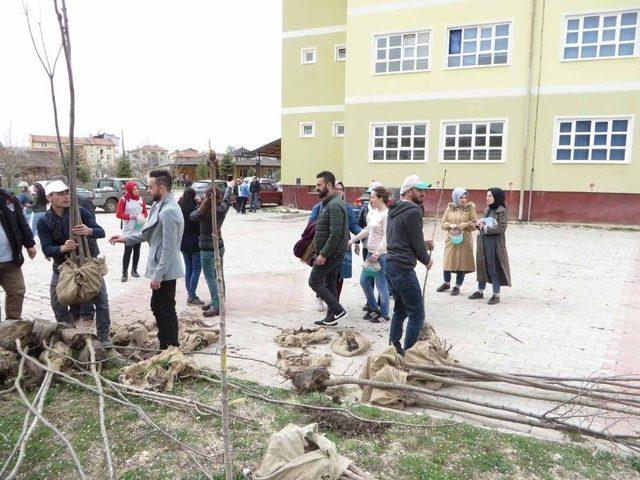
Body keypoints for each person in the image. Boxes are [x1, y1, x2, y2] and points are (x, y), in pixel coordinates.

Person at [109, 170, 184, 349]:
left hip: (165, 270)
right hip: (160, 268)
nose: (147, 190)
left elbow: (169, 248)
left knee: (165, 308)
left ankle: (170, 346)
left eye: (150, 187)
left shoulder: (170, 211)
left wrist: (158, 276)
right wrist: (126, 239)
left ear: (162, 187)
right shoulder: (159, 206)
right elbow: (148, 233)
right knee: (158, 306)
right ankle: (164, 342)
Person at [37, 180, 112, 347]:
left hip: (88, 265)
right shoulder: (44, 221)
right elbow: (47, 249)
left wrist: (88, 231)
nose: (66, 197)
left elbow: (101, 231)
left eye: (67, 193)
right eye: (61, 194)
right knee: (57, 301)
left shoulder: (80, 212)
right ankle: (69, 334)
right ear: (50, 197)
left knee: (102, 301)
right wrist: (63, 248)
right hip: (63, 268)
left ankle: (104, 337)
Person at [386, 174, 433, 355]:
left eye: (424, 190)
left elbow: (404, 239)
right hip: (403, 269)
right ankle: (409, 355)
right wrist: (426, 259)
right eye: (419, 190)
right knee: (417, 314)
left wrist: (424, 244)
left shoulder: (394, 210)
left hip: (391, 266)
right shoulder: (413, 211)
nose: (423, 193)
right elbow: (415, 243)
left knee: (400, 310)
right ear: (408, 191)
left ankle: (394, 348)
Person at [308, 171, 349, 327]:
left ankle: (338, 309)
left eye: (319, 185)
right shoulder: (329, 203)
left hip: (331, 254)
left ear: (329, 185)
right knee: (330, 282)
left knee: (314, 281)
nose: (317, 188)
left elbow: (336, 233)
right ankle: (331, 318)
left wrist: (323, 253)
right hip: (331, 253)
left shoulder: (335, 205)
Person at [190, 184, 232, 317]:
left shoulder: (203, 211)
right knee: (219, 274)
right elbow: (226, 200)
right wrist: (229, 188)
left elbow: (192, 216)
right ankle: (219, 300)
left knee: (210, 277)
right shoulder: (221, 209)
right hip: (219, 246)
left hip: (207, 249)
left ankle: (216, 305)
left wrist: (200, 203)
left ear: (206, 197)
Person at [349, 186, 390, 323]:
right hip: (370, 254)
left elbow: (386, 236)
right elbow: (366, 231)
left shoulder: (386, 214)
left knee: (381, 285)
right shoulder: (374, 213)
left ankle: (384, 315)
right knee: (364, 281)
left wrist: (378, 253)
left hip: (380, 256)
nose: (370, 199)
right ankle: (374, 308)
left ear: (380, 198)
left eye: (372, 197)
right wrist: (352, 240)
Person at [468, 188, 511, 305]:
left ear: (497, 198)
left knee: (493, 267)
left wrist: (486, 228)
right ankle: (480, 291)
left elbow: (501, 228)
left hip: (495, 243)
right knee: (482, 265)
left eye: (490, 196)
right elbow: (483, 222)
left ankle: (496, 294)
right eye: (487, 195)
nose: (487, 198)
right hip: (483, 241)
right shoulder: (487, 209)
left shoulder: (503, 211)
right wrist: (478, 224)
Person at [0, 187, 36, 320]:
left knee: (17, 291)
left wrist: (30, 245)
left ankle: (12, 326)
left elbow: (22, 223)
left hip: (11, 260)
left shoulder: (9, 199)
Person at [437, 188, 477, 296]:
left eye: (465, 197)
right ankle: (446, 283)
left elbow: (475, 225)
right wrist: (450, 225)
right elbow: (443, 224)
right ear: (456, 198)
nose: (463, 200)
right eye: (461, 197)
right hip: (452, 239)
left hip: (465, 240)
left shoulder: (470, 208)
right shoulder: (450, 208)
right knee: (448, 261)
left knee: (462, 263)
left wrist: (467, 224)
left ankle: (457, 286)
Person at [115, 181, 148, 282]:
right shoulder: (124, 199)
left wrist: (142, 217)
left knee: (137, 250)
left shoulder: (141, 200)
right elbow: (118, 214)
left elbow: (145, 212)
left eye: (137, 188)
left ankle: (134, 270)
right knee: (128, 251)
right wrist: (131, 216)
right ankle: (124, 273)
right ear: (129, 190)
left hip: (138, 227)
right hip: (128, 228)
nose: (136, 190)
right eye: (133, 189)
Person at [334, 182, 361, 299]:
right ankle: (320, 296)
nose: (339, 191)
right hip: (327, 246)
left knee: (340, 274)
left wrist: (362, 235)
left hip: (344, 245)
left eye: (341, 189)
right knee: (325, 274)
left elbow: (354, 226)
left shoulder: (348, 208)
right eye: (336, 189)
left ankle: (335, 301)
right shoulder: (321, 206)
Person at [179, 187, 204, 306]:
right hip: (194, 242)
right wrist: (200, 203)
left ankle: (190, 293)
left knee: (188, 268)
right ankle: (192, 295)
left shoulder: (180, 208)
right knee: (196, 269)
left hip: (183, 242)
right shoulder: (194, 211)